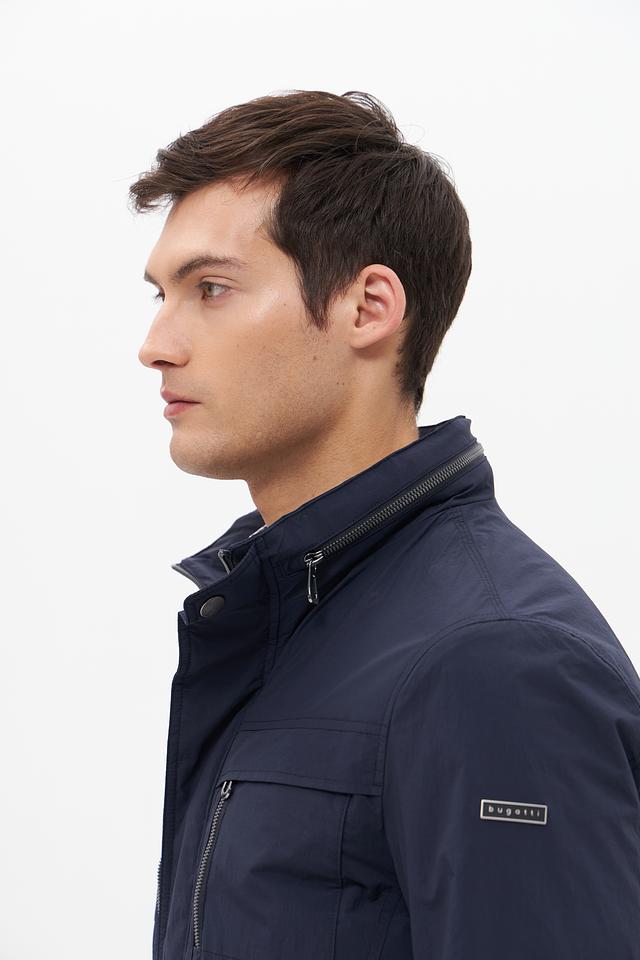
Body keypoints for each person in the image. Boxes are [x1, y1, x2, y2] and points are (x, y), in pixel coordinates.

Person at [131, 90, 640, 960]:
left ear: (369, 308)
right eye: (160, 294)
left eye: (211, 289)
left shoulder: (494, 661)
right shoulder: (280, 615)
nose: (156, 344)